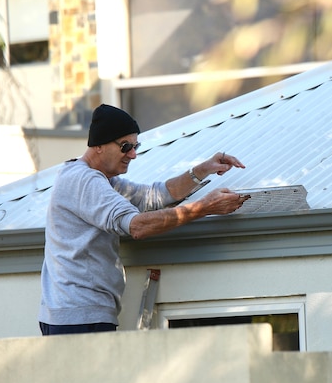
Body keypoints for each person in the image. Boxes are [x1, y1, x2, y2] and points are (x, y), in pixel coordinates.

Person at [39, 103, 248, 335]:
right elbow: (136, 226)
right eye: (125, 146)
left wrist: (202, 170)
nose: (133, 154)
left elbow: (155, 196)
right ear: (98, 145)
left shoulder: (103, 180)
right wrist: (204, 208)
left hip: (80, 313)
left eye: (136, 146)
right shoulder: (83, 181)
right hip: (78, 316)